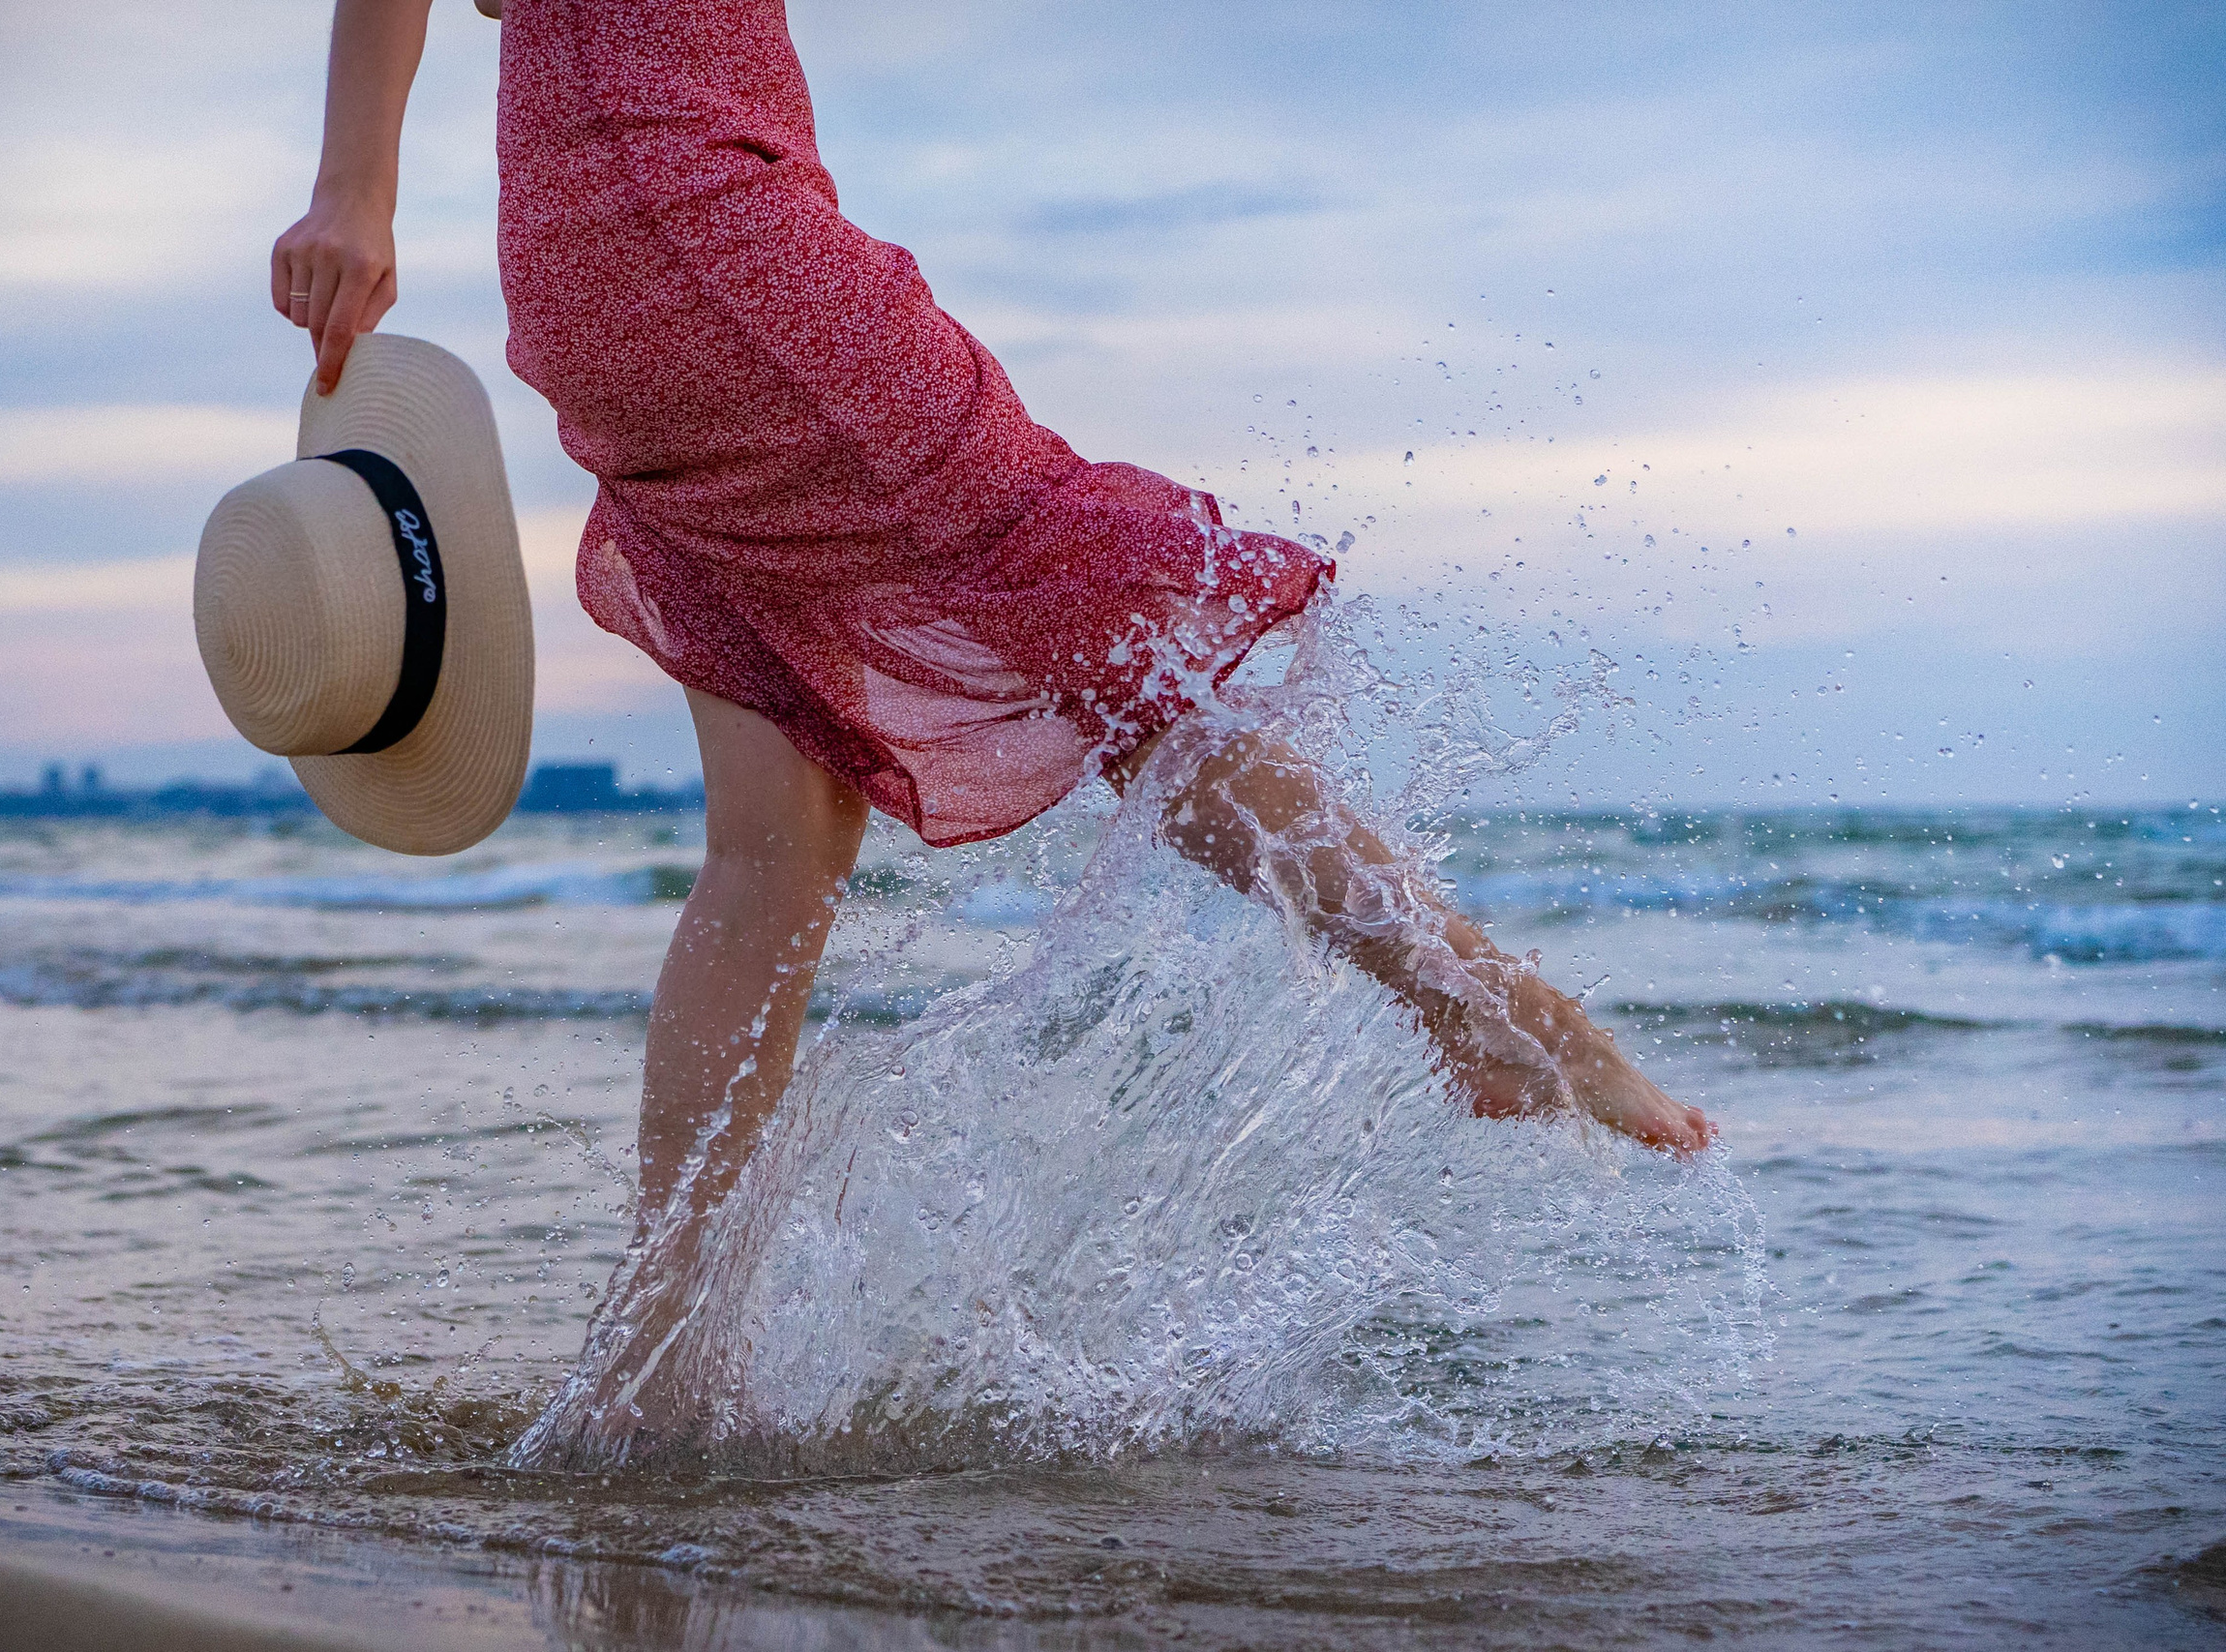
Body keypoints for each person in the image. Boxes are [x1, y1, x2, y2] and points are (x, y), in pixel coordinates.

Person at [273, 0, 1712, 1445]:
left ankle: (661, 1369)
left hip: (625, 262)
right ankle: (1483, 1003)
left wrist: (364, 188)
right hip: (697, 230)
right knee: (1098, 635)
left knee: (778, 842)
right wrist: (355, 188)